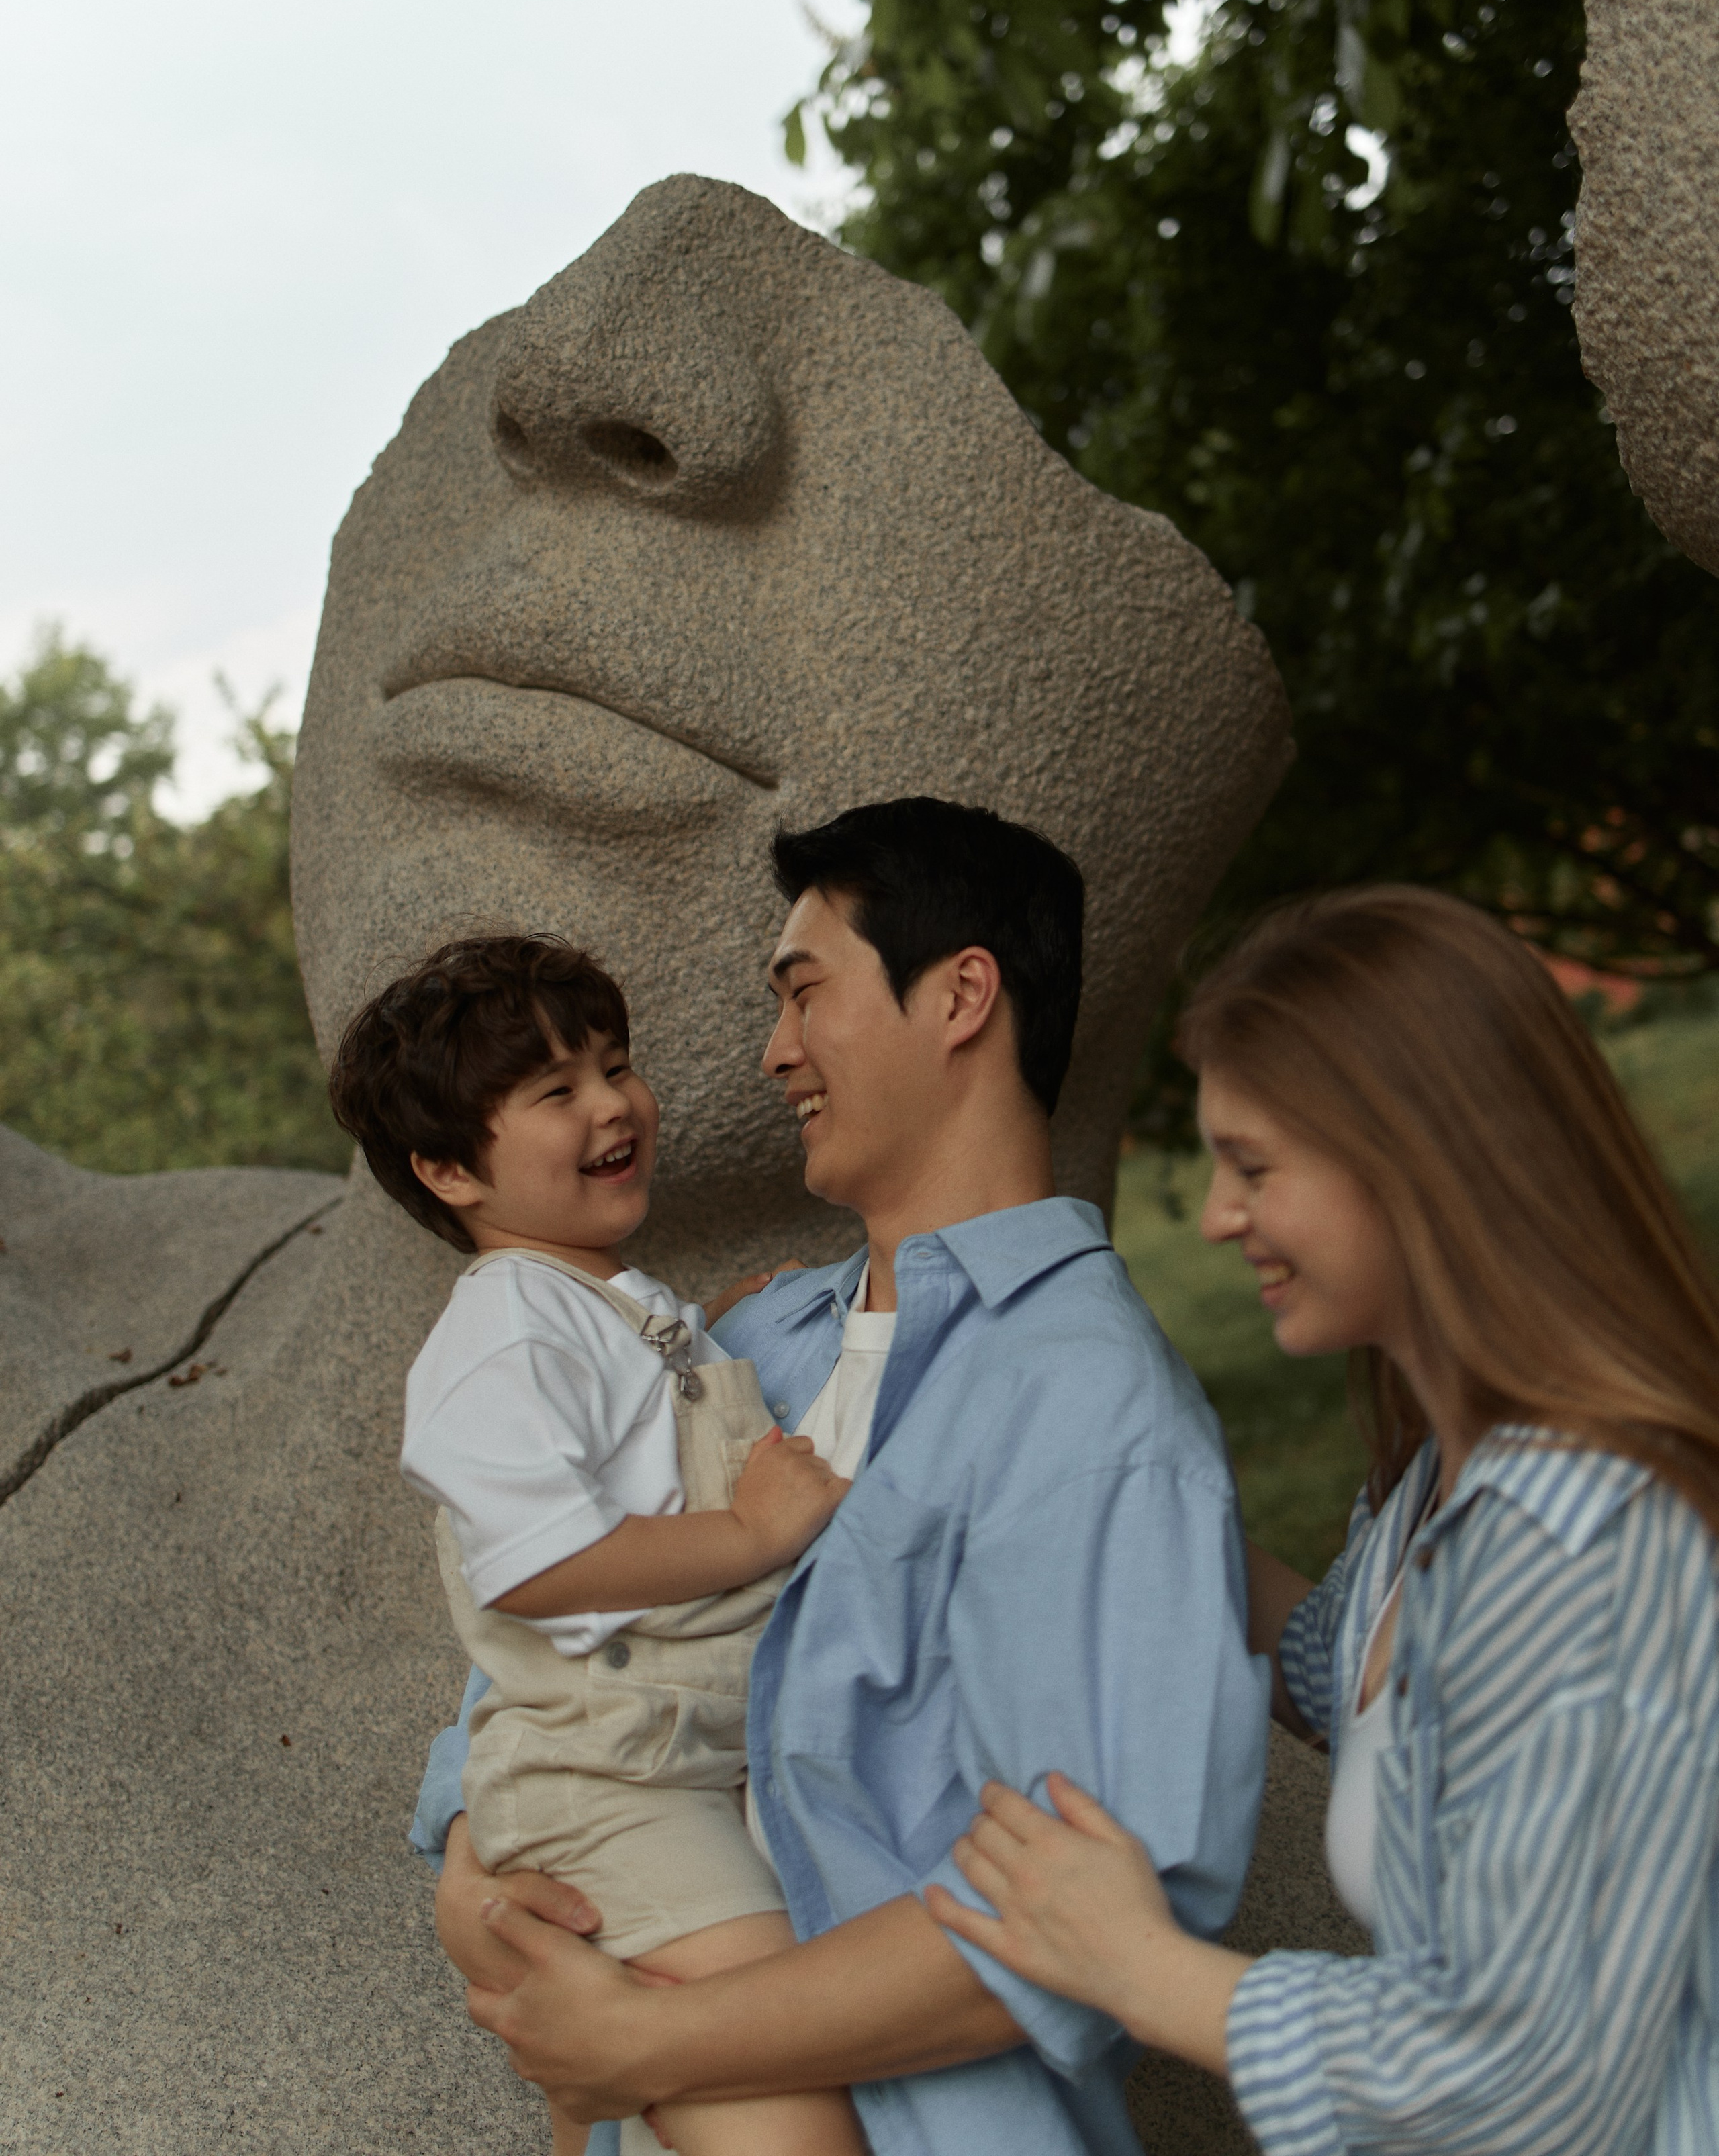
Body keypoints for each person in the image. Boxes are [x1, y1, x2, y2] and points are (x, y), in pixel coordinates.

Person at [421, 797, 1271, 2155]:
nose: (772, 1053)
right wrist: (472, 1879)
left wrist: (646, 2040)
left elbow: (1077, 1920)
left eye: (803, 995)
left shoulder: (1091, 1409)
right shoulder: (741, 1341)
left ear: (959, 997)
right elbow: (536, 1653)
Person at [923, 886, 1719, 2155]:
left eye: (1254, 1165)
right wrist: (1094, 1483)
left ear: (1417, 1158)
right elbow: (1343, 1665)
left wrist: (1140, 1967)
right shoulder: (1435, 1498)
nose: (1223, 1215)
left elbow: (1533, 2079)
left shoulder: (1587, 1545)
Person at [328, 933, 864, 2156]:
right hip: (614, 1786)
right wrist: (747, 1530)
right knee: (783, 2111)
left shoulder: (607, 1301)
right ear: (449, 1170)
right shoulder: (504, 1325)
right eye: (555, 1092)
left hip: (678, 1761)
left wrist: (713, 1332)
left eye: (615, 1065)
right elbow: (535, 1563)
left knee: (649, 2096)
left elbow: (642, 1426)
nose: (613, 1103)